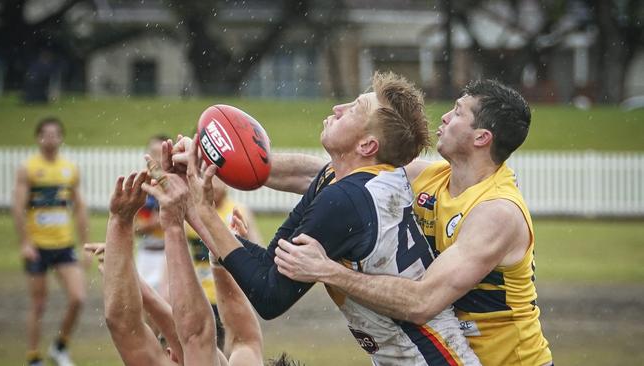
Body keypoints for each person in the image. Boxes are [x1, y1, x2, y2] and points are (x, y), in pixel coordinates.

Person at [177, 71, 480, 365]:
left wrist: (202, 211)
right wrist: (210, 206)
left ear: (367, 146)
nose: (338, 108)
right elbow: (274, 264)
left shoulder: (346, 200)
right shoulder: (339, 180)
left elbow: (270, 297)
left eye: (354, 109)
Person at [273, 79, 553, 366]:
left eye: (457, 112)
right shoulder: (430, 178)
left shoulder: (496, 212)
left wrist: (328, 271)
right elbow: (318, 176)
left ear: (481, 138)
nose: (444, 117)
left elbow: (422, 303)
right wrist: (240, 164)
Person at [97, 170, 267, 366]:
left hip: (208, 302)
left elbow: (124, 325)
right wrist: (220, 257)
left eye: (166, 344)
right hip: (204, 300)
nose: (169, 349)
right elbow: (239, 340)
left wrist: (121, 222)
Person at [12, 117, 90, 366]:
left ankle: (59, 347)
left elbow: (79, 207)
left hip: (64, 245)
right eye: (45, 134)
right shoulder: (28, 168)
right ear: (38, 138)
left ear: (61, 138)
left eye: (55, 134)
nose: (50, 138)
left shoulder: (69, 169)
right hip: (38, 247)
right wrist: (25, 243)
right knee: (39, 303)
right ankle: (34, 357)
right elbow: (17, 207)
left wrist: (84, 243)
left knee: (78, 298)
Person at [185, 174, 262, 351]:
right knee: (204, 349)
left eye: (219, 180)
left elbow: (258, 248)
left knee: (234, 346)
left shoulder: (239, 211)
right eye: (210, 180)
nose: (215, 186)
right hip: (201, 294)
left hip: (233, 292)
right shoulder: (193, 214)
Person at [135, 135, 169, 295]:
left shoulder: (177, 186)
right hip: (145, 253)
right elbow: (133, 228)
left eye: (160, 153)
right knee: (144, 304)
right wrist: (152, 224)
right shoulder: (141, 188)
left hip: (168, 254)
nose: (156, 159)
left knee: (166, 304)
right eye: (153, 153)